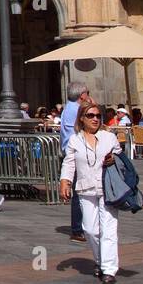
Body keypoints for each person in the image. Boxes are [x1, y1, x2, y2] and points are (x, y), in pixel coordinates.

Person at [61, 100, 123, 284]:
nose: (95, 119)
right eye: (91, 115)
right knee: (90, 229)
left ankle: (109, 269)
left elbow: (121, 157)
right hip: (85, 187)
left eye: (98, 116)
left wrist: (114, 159)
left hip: (108, 188)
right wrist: (65, 181)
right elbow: (69, 162)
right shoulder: (75, 139)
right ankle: (100, 260)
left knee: (109, 230)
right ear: (82, 118)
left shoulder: (108, 137)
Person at [59, 82, 90, 242]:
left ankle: (81, 226)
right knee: (79, 191)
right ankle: (78, 229)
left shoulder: (68, 108)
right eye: (87, 92)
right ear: (82, 95)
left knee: (81, 190)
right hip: (76, 153)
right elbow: (81, 130)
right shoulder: (76, 109)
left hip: (70, 151)